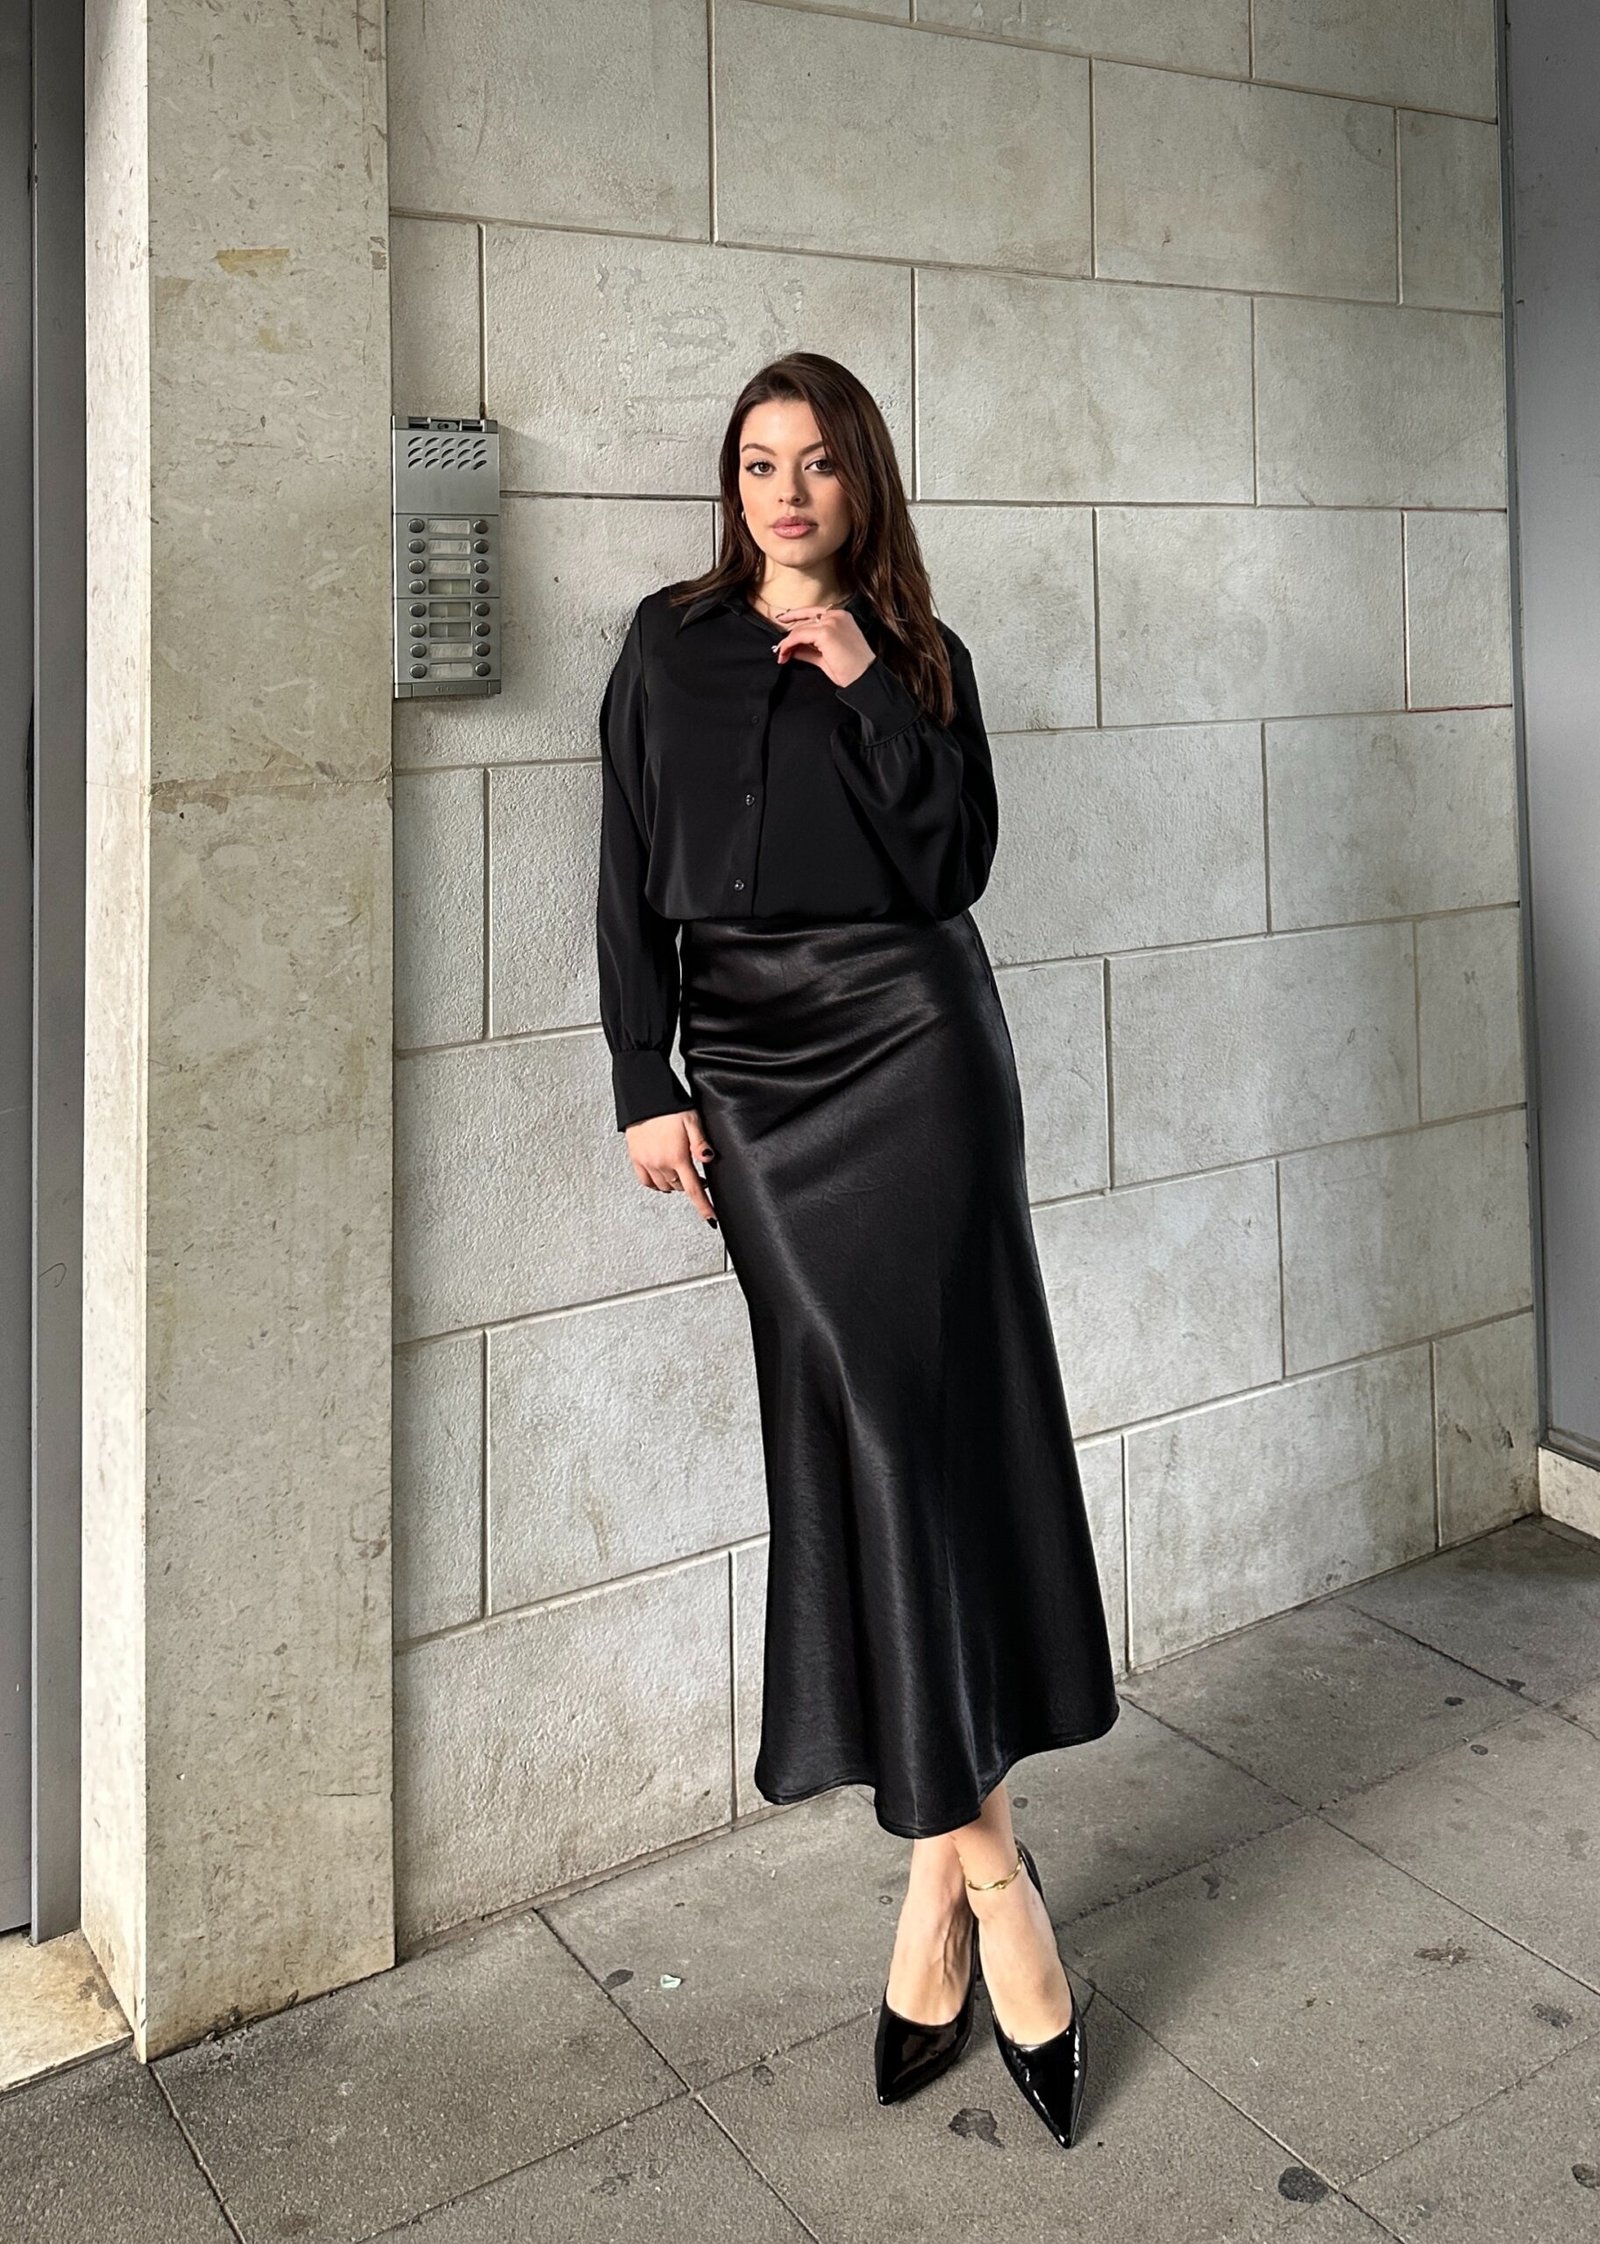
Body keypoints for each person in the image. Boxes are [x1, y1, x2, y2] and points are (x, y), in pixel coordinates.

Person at [595, 351, 1120, 2151]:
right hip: (749, 1072)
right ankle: (988, 1881)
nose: (788, 491)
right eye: (760, 463)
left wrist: (871, 687)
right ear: (730, 484)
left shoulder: (922, 653)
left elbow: (958, 861)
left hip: (917, 1047)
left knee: (924, 1449)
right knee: (860, 1443)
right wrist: (642, 1077)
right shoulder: (665, 642)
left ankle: (951, 1892)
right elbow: (623, 870)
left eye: (818, 463)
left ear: (861, 480)